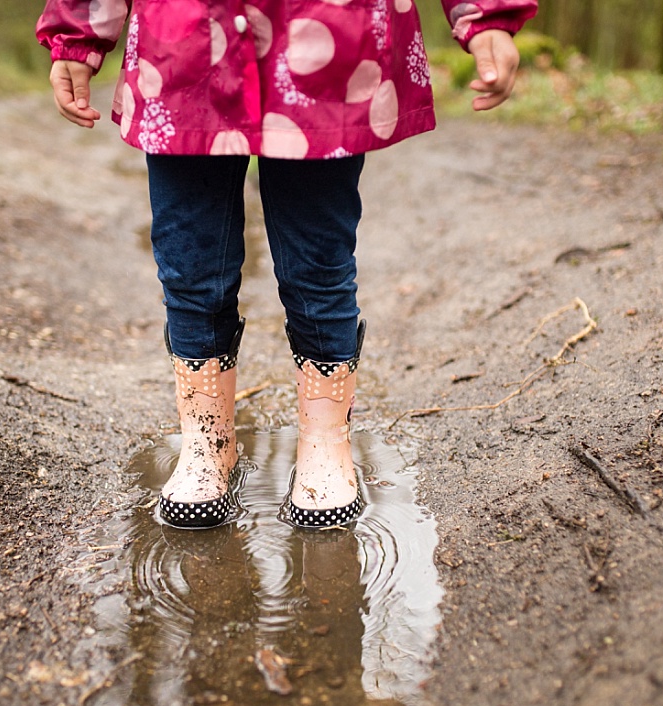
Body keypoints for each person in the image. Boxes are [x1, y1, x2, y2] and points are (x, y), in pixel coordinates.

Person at [37, 0, 537, 529]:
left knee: (319, 262)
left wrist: (486, 16)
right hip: (183, 44)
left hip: (324, 42)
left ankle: (325, 441)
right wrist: (78, 33)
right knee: (189, 260)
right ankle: (206, 443)